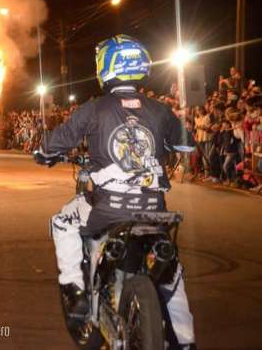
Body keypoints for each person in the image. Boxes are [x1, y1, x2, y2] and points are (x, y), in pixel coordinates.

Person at [43, 35, 196, 349]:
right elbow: (186, 143)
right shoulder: (159, 109)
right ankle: (186, 340)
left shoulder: (94, 108)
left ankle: (75, 295)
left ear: (107, 65)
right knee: (172, 274)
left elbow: (54, 143)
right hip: (154, 209)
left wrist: (46, 153)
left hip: (108, 208)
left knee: (62, 223)